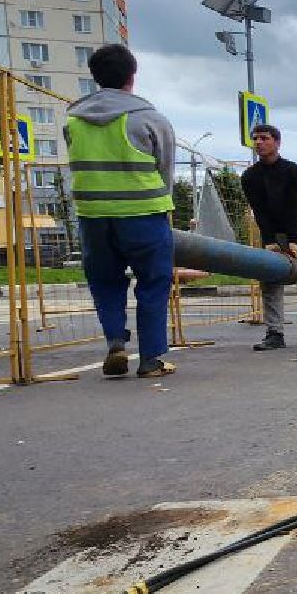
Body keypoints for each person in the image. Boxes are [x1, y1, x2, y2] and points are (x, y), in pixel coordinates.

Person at [65, 43, 178, 379]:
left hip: (93, 216)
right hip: (144, 214)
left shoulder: (74, 122)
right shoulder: (150, 119)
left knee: (104, 281)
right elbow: (166, 169)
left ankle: (116, 342)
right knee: (154, 283)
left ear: (95, 77)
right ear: (133, 75)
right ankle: (151, 359)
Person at [240, 123, 297, 350]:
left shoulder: (294, 172)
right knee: (270, 278)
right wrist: (269, 241)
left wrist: (293, 241)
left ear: (277, 142)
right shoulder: (250, 177)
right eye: (255, 139)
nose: (259, 143)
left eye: (264, 138)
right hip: (272, 232)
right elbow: (259, 211)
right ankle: (275, 332)